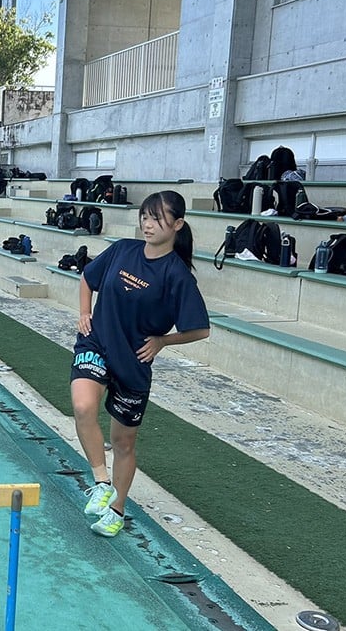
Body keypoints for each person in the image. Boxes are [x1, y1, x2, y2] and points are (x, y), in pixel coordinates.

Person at [71, 190, 209, 537]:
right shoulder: (123, 250)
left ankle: (116, 511)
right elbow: (89, 276)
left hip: (133, 362)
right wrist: (85, 311)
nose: (148, 224)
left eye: (158, 218)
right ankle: (102, 483)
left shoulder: (178, 276)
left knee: (124, 442)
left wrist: (163, 341)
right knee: (83, 405)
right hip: (98, 342)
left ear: (177, 224)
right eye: (145, 216)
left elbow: (200, 329)